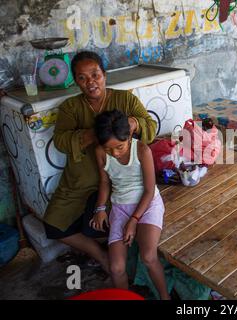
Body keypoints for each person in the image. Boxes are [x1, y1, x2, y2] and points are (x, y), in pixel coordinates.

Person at [42, 51, 157, 273]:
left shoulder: (126, 99)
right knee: (53, 225)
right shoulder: (70, 107)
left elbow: (150, 129)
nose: (90, 82)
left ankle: (118, 256)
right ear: (76, 81)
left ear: (104, 74)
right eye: (82, 78)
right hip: (78, 180)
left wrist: (133, 123)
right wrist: (95, 134)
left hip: (118, 182)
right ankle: (100, 255)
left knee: (102, 224)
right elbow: (60, 141)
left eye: (95, 74)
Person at [91, 110, 169, 300]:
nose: (115, 153)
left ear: (130, 136)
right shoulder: (100, 152)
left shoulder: (142, 150)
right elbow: (105, 183)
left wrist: (134, 220)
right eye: (109, 149)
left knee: (149, 257)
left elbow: (150, 190)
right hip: (120, 207)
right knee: (116, 267)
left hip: (148, 204)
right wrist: (100, 209)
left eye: (120, 147)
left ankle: (165, 297)